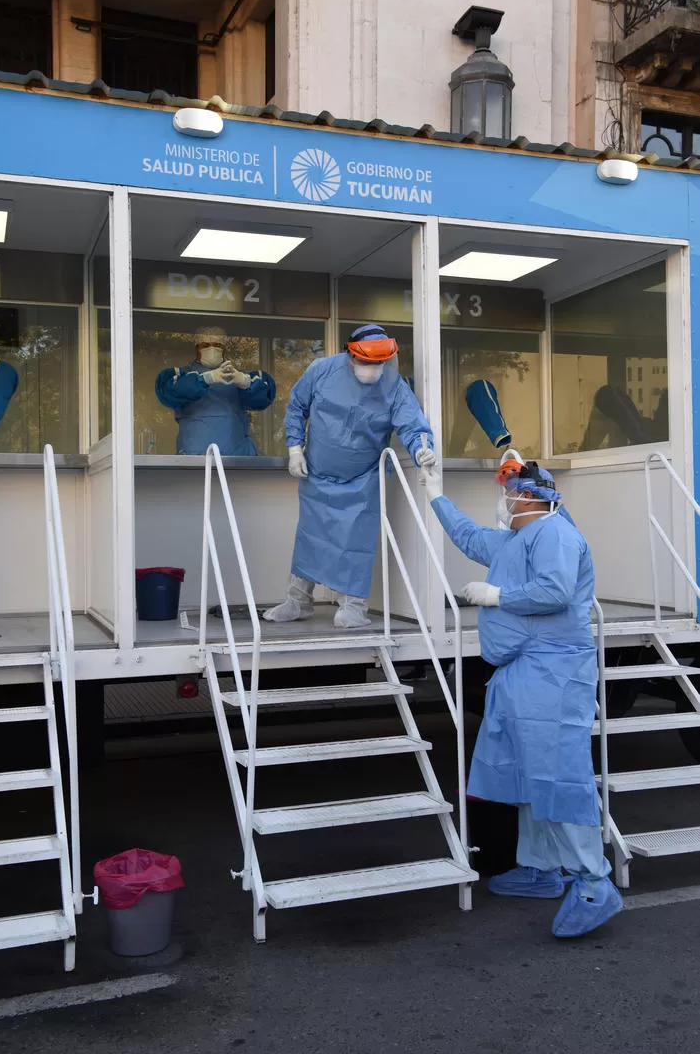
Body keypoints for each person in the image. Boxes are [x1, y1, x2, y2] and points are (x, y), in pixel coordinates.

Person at [422, 458, 623, 938]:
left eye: (510, 491)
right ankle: (541, 868)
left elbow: (554, 590)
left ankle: (594, 882)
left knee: (557, 773)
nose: (504, 499)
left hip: (552, 673)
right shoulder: (515, 540)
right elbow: (469, 537)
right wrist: (434, 494)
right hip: (523, 672)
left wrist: (496, 598)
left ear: (528, 497)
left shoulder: (554, 532)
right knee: (527, 773)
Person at [263, 324, 437, 629]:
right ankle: (298, 601)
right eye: (366, 363)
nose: (372, 370)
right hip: (317, 473)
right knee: (310, 536)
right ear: (350, 355)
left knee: (356, 541)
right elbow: (297, 406)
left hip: (363, 479)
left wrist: (422, 449)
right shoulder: (322, 370)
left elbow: (413, 425)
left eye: (378, 364)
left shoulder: (394, 387)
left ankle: (354, 606)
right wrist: (294, 448)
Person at [155, 326, 276, 455]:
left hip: (238, 464)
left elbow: (266, 393)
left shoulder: (236, 377)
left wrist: (245, 381)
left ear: (224, 349)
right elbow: (168, 392)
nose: (212, 348)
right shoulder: (181, 376)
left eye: (217, 345)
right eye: (205, 344)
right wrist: (205, 379)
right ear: (197, 348)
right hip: (194, 463)